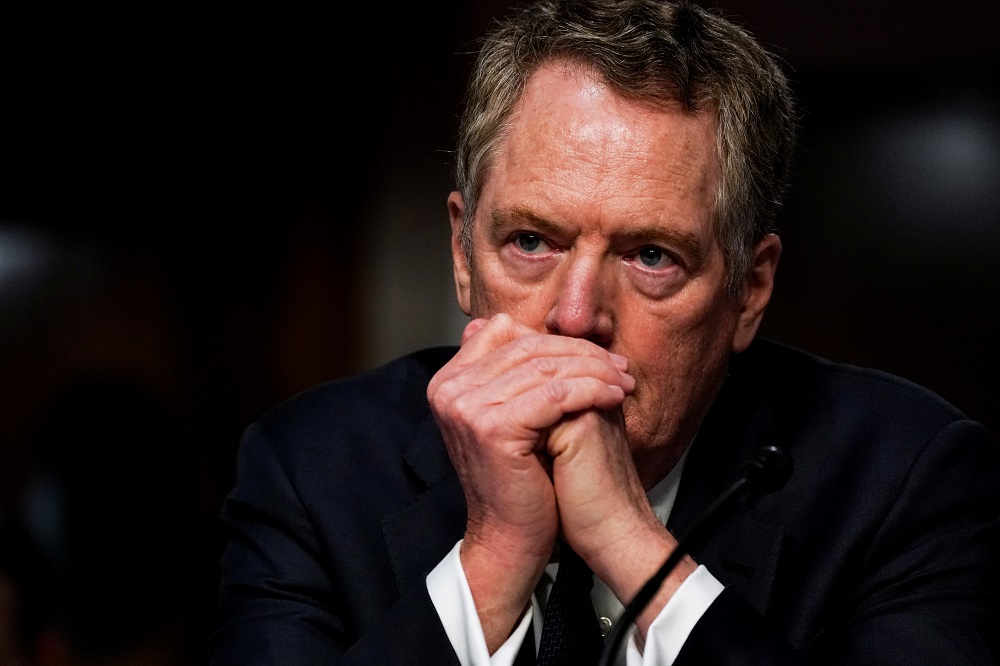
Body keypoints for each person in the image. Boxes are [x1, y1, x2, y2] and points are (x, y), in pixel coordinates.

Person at [209, 0, 1000, 664]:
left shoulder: (905, 480)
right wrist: (494, 558)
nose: (576, 316)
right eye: (531, 241)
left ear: (750, 291)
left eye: (651, 256)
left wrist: (630, 543)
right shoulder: (311, 469)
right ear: (461, 254)